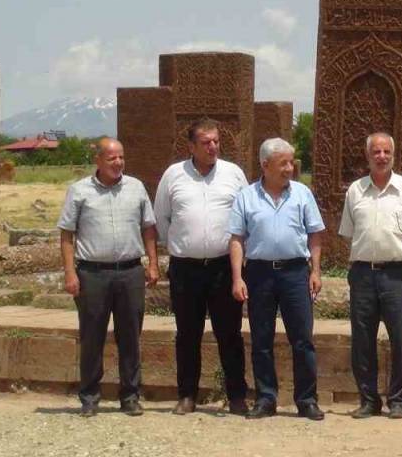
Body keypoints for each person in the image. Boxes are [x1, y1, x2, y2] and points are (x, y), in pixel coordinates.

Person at [154, 119, 251, 415]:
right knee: (187, 333)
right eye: (206, 142)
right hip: (186, 269)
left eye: (216, 141)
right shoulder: (173, 176)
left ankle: (236, 397)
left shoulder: (233, 174)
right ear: (191, 146)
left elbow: (246, 216)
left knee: (229, 334)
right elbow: (162, 218)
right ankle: (187, 395)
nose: (213, 147)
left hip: (224, 267)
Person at [57, 138, 159, 417]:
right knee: (92, 337)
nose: (118, 163)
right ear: (99, 161)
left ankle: (130, 396)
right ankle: (89, 397)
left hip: (130, 272)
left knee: (131, 337)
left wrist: (152, 263)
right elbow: (67, 234)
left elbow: (148, 227)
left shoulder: (136, 188)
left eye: (121, 158)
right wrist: (69, 273)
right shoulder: (79, 191)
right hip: (92, 274)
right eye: (112, 158)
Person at [228, 138, 326, 421]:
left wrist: (315, 271)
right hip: (259, 273)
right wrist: (237, 277)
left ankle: (306, 399)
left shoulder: (302, 193)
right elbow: (236, 239)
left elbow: (315, 234)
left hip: (296, 273)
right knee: (261, 339)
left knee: (303, 339)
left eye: (291, 162)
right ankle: (266, 398)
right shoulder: (246, 196)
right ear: (265, 165)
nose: (289, 168)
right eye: (283, 163)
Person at [339, 132, 402, 419]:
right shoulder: (355, 191)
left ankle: (398, 401)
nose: (382, 157)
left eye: (387, 151)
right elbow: (348, 234)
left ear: (393, 154)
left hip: (398, 274)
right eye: (376, 152)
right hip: (363, 273)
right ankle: (368, 400)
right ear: (368, 156)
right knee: (362, 340)